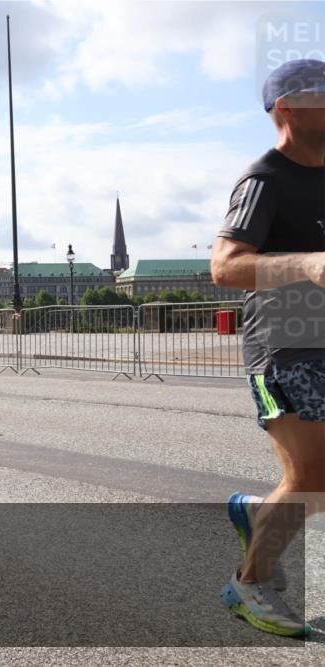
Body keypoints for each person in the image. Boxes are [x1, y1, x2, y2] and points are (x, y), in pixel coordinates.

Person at [211, 59, 325, 638]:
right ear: (288, 108)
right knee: (313, 478)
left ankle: (260, 514)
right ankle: (248, 585)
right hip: (285, 346)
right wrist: (305, 263)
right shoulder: (265, 179)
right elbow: (225, 267)